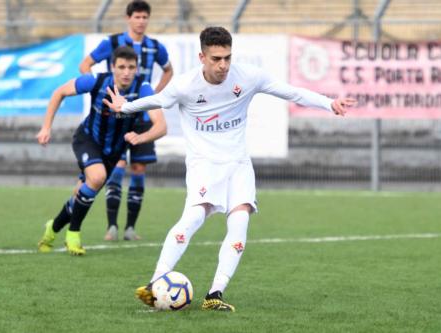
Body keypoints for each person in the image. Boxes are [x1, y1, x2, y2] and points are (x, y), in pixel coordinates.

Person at [103, 27, 355, 311]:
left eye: (227, 57)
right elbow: (158, 100)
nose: (223, 65)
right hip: (203, 164)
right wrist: (125, 108)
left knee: (240, 220)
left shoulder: (248, 77)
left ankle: (215, 293)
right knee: (194, 217)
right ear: (202, 57)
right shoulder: (185, 85)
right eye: (216, 59)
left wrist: (328, 103)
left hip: (238, 164)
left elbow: (292, 93)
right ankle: (154, 283)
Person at [36, 46, 167, 256]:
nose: (126, 72)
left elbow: (161, 126)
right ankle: (73, 234)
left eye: (131, 67)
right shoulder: (96, 81)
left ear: (137, 69)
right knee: (97, 178)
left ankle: (52, 229)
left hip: (113, 152)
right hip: (87, 139)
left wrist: (140, 137)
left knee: (80, 196)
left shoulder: (142, 89)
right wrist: (46, 127)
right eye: (121, 67)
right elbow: (58, 92)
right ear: (112, 67)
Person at [80, 0, 174, 241]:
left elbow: (168, 70)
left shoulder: (155, 46)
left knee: (139, 168)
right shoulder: (112, 43)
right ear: (128, 18)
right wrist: (100, 93)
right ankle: (111, 226)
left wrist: (153, 94)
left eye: (145, 17)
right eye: (137, 17)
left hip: (141, 117)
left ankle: (130, 228)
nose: (141, 21)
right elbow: (85, 64)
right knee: (117, 168)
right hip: (117, 117)